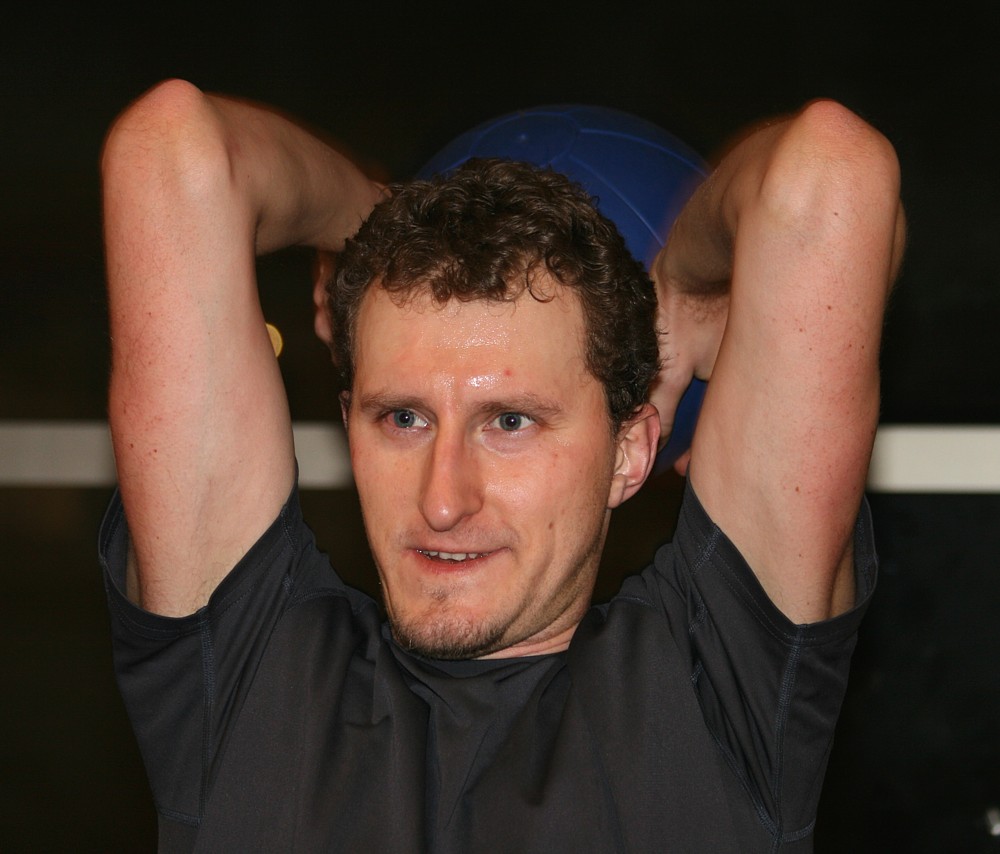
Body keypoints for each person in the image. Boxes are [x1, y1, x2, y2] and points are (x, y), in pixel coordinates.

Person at [99, 79, 904, 852]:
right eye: (404, 418)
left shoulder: (722, 694)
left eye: (510, 422)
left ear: (629, 451)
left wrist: (687, 287)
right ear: (350, 426)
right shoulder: (248, 677)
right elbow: (169, 150)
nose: (443, 500)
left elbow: (830, 172)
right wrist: (373, 222)